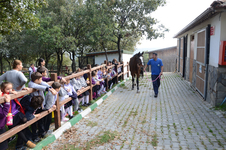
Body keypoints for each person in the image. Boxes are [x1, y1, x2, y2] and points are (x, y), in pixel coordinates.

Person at [1, 82, 36, 149]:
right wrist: (7, 94)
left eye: (11, 88)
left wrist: (23, 90)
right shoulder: (3, 96)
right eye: (8, 89)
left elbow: (19, 95)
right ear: (3, 89)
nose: (10, 90)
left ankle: (19, 146)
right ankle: (25, 142)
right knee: (23, 121)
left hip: (16, 113)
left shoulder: (12, 92)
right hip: (10, 117)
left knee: (22, 127)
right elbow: (2, 97)